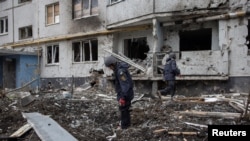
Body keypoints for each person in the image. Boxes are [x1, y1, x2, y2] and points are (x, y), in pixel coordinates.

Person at [104, 55, 134, 129]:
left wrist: (123, 97)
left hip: (125, 94)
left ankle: (124, 126)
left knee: (124, 109)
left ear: (112, 64)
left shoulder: (120, 72)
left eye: (109, 67)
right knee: (124, 109)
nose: (110, 68)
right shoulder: (118, 70)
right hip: (124, 93)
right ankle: (126, 124)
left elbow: (125, 85)